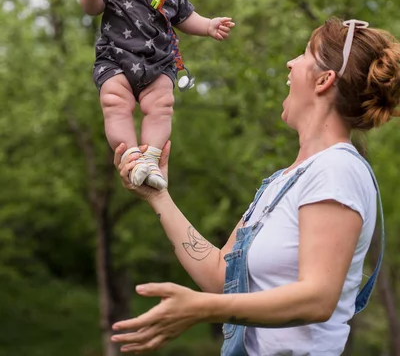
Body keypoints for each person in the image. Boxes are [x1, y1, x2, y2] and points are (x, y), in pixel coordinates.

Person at [110, 17, 400, 355]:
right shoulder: (284, 182)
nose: (291, 63)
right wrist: (159, 197)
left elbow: (318, 298)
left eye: (305, 54)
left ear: (324, 80)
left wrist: (201, 309)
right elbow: (221, 276)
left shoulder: (336, 170)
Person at [80, 0, 234, 190]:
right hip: (117, 59)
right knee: (115, 102)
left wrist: (209, 25)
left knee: (162, 105)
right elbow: (93, 10)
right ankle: (131, 156)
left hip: (158, 62)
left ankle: (151, 157)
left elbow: (185, 17)